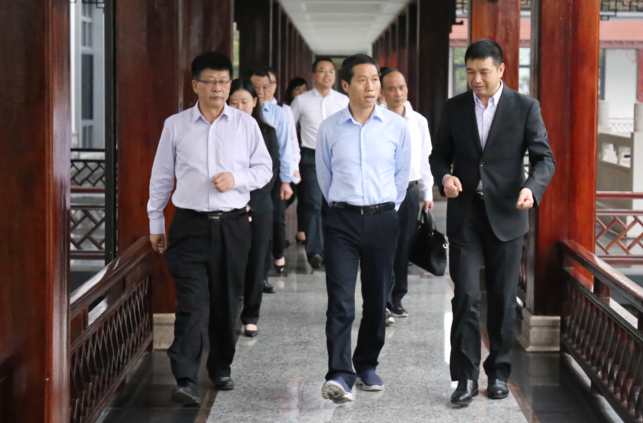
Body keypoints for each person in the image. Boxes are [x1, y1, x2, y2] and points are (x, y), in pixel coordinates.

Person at [429, 39, 555, 406]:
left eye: (484, 72)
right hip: (466, 213)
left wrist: (532, 188)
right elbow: (439, 155)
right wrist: (444, 177)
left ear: (501, 70)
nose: (476, 79)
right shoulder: (454, 108)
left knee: (502, 297)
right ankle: (465, 377)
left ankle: (498, 372)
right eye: (470, 72)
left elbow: (544, 158)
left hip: (507, 212)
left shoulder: (525, 107)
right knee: (466, 295)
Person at [148, 52, 272, 403]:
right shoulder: (176, 125)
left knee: (226, 301)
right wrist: (156, 220)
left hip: (233, 225)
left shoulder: (245, 125)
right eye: (211, 81)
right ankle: (186, 378)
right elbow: (161, 176)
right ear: (195, 85)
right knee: (190, 303)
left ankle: (220, 367)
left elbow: (264, 169)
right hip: (189, 225)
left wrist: (236, 179)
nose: (218, 87)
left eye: (224, 81)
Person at [317, 54, 411, 404]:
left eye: (374, 79)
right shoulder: (330, 128)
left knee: (376, 299)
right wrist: (344, 206)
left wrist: (385, 211)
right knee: (340, 300)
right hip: (341, 220)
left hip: (383, 220)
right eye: (362, 80)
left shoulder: (396, 127)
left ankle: (367, 364)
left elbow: (401, 176)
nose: (370, 86)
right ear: (345, 85)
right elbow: (324, 176)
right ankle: (339, 374)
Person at [380, 68, 434, 325]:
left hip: (410, 191)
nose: (397, 93)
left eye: (401, 87)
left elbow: (425, 159)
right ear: (382, 92)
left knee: (404, 248)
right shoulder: (376, 119)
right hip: (382, 191)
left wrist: (427, 192)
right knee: (382, 246)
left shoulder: (419, 121)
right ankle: (381, 301)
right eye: (391, 88)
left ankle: (397, 298)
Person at [228, 78, 280, 338]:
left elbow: (270, 173)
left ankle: (251, 315)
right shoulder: (221, 132)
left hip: (259, 206)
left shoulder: (267, 132)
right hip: (229, 206)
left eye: (244, 102)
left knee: (256, 261)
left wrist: (249, 203)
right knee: (231, 262)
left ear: (255, 102)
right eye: (233, 102)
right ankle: (230, 311)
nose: (239, 107)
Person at [291, 57, 349, 270]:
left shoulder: (343, 101)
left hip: (337, 158)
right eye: (323, 71)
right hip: (310, 157)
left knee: (333, 203)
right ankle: (315, 251)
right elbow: (289, 130)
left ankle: (332, 249)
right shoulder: (301, 101)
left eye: (331, 71)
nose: (327, 75)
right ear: (314, 75)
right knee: (313, 203)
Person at [250, 68, 297, 293]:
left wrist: (286, 180)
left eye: (265, 86)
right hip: (244, 180)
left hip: (273, 178)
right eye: (256, 86)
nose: (261, 90)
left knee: (270, 223)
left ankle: (263, 275)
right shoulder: (240, 110)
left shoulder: (278, 112)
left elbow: (286, 146)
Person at [264, 66, 300, 274]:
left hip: (277, 171)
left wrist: (292, 171)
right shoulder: (247, 108)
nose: (265, 88)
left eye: (270, 83)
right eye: (259, 84)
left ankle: (278, 253)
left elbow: (290, 143)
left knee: (277, 217)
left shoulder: (282, 110)